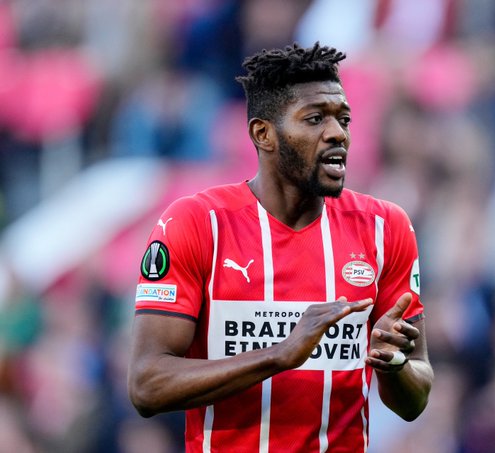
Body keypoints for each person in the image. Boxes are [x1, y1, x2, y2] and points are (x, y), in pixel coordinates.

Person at [128, 42, 433, 453]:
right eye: (315, 119)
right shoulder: (197, 224)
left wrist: (394, 364)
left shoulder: (385, 229)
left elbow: (415, 398)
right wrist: (280, 354)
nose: (337, 133)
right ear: (263, 134)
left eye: (343, 118)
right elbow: (146, 385)